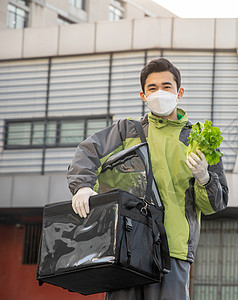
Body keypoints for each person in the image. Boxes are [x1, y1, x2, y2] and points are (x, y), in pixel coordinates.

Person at [67, 57, 229, 299]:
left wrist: (205, 178)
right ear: (143, 95)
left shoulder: (198, 139)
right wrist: (82, 187)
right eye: (152, 88)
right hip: (125, 245)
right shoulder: (125, 131)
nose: (159, 93)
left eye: (166, 86)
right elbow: (88, 151)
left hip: (173, 250)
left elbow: (216, 203)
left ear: (179, 92)